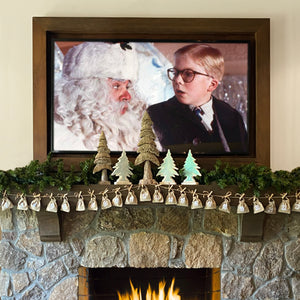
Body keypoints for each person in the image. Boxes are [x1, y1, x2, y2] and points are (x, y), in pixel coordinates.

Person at [147, 44, 248, 154]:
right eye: (175, 72)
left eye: (188, 74)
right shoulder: (155, 115)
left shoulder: (232, 116)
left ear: (212, 85)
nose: (177, 80)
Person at [54, 42, 146, 151]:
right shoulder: (63, 140)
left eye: (127, 87)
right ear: (88, 92)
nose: (127, 97)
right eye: (116, 86)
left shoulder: (134, 133)